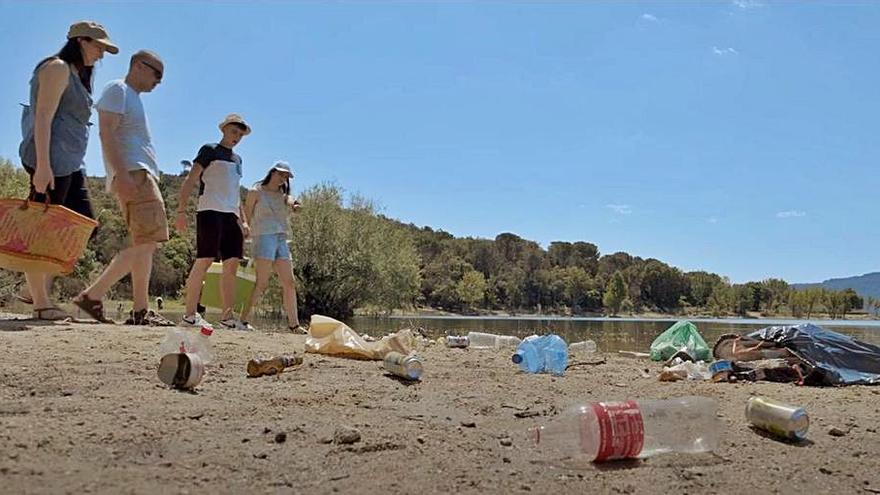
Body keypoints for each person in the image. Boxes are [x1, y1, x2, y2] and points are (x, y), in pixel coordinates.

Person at [18, 20, 118, 320]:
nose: (101, 55)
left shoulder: (78, 75)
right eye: (98, 47)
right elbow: (44, 117)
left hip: (70, 163)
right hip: (50, 161)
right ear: (81, 41)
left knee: (85, 223)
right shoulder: (57, 67)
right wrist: (43, 167)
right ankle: (40, 303)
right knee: (41, 228)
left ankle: (33, 288)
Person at [73, 50, 171, 325]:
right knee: (150, 241)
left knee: (145, 243)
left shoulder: (133, 97)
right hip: (133, 173)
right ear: (139, 66)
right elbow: (106, 132)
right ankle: (93, 295)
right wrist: (122, 175)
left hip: (138, 173)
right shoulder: (118, 89)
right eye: (157, 74)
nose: (158, 82)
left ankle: (140, 311)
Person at [176, 114, 251, 330]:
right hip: (209, 211)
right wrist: (181, 210)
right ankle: (190, 315)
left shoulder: (238, 160)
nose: (236, 137)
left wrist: (243, 221)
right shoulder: (209, 150)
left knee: (232, 264)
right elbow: (191, 179)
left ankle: (227, 318)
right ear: (225, 129)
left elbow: (235, 192)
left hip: (232, 217)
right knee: (205, 260)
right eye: (234, 132)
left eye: (240, 134)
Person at [239, 161, 303, 332]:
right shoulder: (256, 191)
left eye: (286, 176)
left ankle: (294, 324)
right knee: (262, 282)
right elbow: (246, 213)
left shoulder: (283, 195)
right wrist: (244, 231)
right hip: (262, 237)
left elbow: (290, 200)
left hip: (281, 238)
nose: (283, 178)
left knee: (289, 282)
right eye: (281, 174)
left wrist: (295, 204)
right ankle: (243, 320)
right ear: (273, 172)